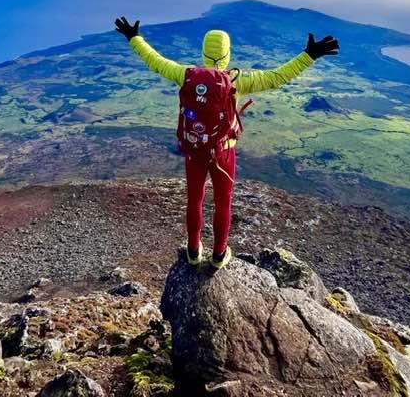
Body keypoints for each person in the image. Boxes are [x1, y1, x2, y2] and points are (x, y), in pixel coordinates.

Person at [114, 16, 339, 269]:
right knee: (223, 202)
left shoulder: (185, 75)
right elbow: (278, 76)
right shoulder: (237, 81)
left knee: (195, 200)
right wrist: (309, 55)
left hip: (195, 150)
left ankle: (193, 251)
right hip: (223, 153)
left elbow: (155, 61)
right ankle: (219, 255)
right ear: (227, 54)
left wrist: (134, 38)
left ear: (204, 52)